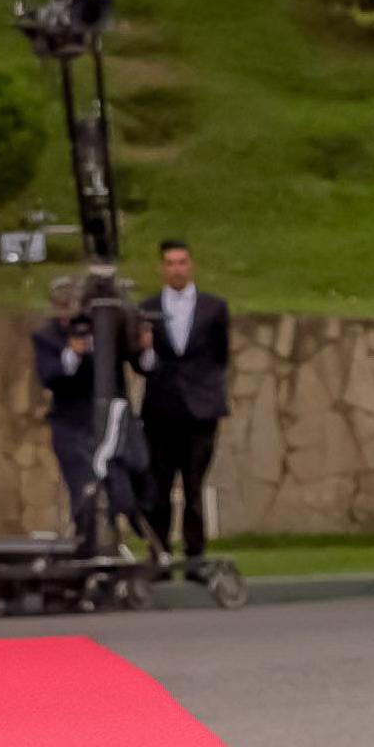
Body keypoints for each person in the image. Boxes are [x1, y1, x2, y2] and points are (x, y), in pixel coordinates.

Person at [31, 275, 145, 554]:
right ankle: (89, 546)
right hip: (71, 425)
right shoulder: (47, 338)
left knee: (125, 480)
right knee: (85, 488)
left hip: (108, 423)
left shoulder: (104, 330)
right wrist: (72, 355)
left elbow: (130, 354)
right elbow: (50, 376)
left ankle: (127, 532)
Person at [138, 238, 232, 565]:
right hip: (161, 410)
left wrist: (207, 391)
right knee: (158, 486)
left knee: (194, 487)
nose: (176, 268)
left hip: (200, 410)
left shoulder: (214, 308)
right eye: (170, 263)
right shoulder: (147, 308)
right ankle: (159, 553)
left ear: (190, 265)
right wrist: (147, 351)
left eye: (182, 262)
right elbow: (140, 363)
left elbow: (220, 355)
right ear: (162, 268)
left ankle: (195, 556)